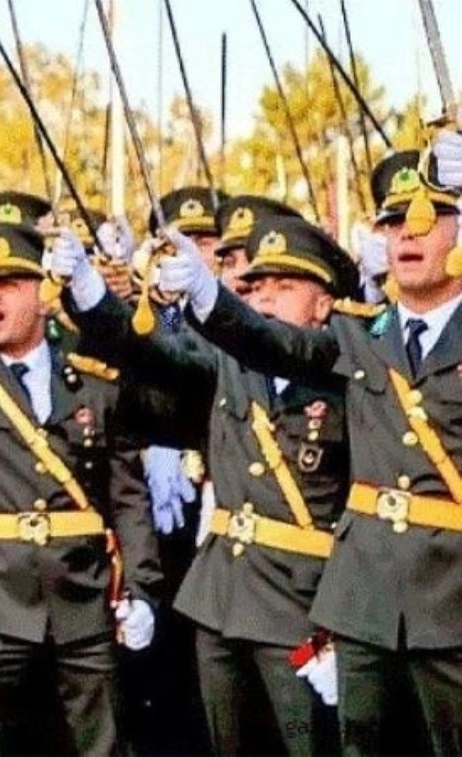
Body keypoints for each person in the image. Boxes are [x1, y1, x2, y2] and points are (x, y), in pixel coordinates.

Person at [153, 146, 462, 755]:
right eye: (393, 221)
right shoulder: (358, 334)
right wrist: (208, 296)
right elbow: (271, 341)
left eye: (430, 217)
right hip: (363, 601)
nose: (407, 232)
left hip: (451, 596)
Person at [51, 214, 364, 755]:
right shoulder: (227, 368)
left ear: (323, 305)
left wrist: (343, 627)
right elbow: (150, 350)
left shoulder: (344, 372)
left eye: (285, 286)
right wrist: (89, 292)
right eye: (256, 286)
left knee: (309, 745)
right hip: (221, 599)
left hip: (305, 610)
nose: (265, 298)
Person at [0, 220, 162, 755]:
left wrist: (142, 590)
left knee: (103, 744)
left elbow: (127, 499)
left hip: (85, 598)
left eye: (8, 284)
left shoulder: (92, 382)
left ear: (44, 295)